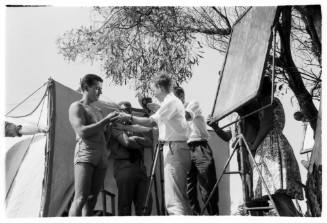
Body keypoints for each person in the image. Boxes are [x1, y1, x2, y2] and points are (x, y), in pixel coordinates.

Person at [113, 74, 192, 215]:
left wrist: (129, 118)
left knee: (174, 201)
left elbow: (150, 122)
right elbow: (150, 127)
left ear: (160, 87)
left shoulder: (170, 102)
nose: (153, 93)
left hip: (174, 148)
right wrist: (126, 127)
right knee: (180, 198)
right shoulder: (170, 103)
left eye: (153, 89)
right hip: (177, 148)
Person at [249, 76, 303, 216]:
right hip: (277, 142)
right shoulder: (275, 101)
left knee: (277, 191)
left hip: (270, 145)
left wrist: (254, 145)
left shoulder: (268, 100)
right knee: (276, 193)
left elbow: (267, 123)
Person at [68, 74, 118, 216]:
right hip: (86, 153)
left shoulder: (99, 111)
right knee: (81, 198)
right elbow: (82, 131)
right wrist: (105, 121)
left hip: (101, 155)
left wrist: (109, 126)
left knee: (92, 198)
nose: (100, 92)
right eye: (97, 88)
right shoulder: (76, 106)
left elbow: (104, 137)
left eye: (101, 89)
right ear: (86, 87)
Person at [173, 86, 219, 215]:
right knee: (189, 189)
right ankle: (196, 216)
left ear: (181, 96)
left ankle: (213, 216)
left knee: (207, 186)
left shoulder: (193, 104)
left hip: (200, 147)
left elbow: (187, 116)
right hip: (185, 149)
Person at [109, 101, 152, 216]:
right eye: (123, 110)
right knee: (124, 206)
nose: (126, 112)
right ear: (119, 111)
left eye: (128, 110)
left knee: (145, 205)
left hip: (140, 167)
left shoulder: (135, 127)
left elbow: (149, 142)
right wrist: (139, 142)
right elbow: (127, 143)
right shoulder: (115, 125)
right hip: (124, 167)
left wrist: (136, 138)